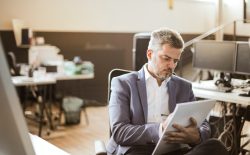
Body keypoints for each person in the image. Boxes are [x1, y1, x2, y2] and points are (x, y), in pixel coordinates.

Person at [107, 27, 228, 155]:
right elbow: (119, 132)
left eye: (175, 61)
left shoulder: (184, 87)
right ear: (149, 54)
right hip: (137, 149)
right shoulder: (123, 83)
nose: (171, 65)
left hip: (174, 150)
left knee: (215, 146)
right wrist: (160, 129)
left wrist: (197, 136)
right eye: (166, 58)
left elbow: (203, 124)